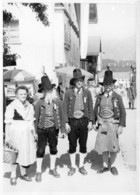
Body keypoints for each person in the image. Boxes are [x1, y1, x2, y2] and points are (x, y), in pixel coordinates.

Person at [92, 70, 126, 176]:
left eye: (109, 84)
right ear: (103, 85)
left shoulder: (117, 97)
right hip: (102, 125)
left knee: (113, 146)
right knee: (104, 147)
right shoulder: (99, 97)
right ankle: (106, 166)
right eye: (105, 84)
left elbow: (123, 112)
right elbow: (94, 110)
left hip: (113, 125)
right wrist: (93, 122)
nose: (107, 86)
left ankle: (113, 166)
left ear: (113, 85)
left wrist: (121, 126)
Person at [34, 75, 66, 182]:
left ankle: (52, 169)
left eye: (50, 90)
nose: (48, 92)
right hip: (42, 129)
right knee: (40, 150)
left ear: (53, 90)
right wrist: (35, 132)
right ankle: (38, 171)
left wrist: (63, 130)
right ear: (43, 91)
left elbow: (62, 116)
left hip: (53, 128)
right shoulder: (38, 103)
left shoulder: (58, 102)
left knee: (53, 148)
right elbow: (36, 118)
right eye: (46, 90)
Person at [63, 68, 93, 176]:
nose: (79, 82)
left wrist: (90, 121)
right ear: (74, 82)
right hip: (72, 121)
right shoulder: (68, 93)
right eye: (77, 80)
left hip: (84, 121)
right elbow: (64, 109)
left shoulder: (87, 92)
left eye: (81, 80)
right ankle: (72, 167)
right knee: (72, 144)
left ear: (82, 81)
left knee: (83, 144)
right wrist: (66, 123)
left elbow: (90, 108)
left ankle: (81, 166)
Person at [4, 85, 37, 185]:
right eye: (21, 94)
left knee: (24, 154)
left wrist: (34, 133)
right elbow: (8, 123)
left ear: (27, 95)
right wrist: (7, 137)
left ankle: (23, 174)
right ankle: (13, 175)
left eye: (24, 94)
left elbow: (31, 121)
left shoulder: (30, 106)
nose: (23, 95)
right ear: (17, 95)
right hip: (15, 134)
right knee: (14, 154)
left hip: (27, 135)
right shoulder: (11, 106)